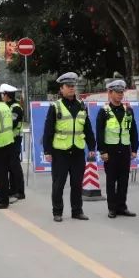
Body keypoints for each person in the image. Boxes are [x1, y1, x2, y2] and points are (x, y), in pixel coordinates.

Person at [42, 72, 96, 222]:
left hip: (78, 150)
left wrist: (92, 146)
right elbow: (48, 130)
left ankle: (77, 211)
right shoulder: (56, 107)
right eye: (68, 86)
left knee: (77, 183)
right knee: (58, 184)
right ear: (61, 89)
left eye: (73, 86)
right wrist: (47, 151)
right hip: (60, 151)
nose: (72, 89)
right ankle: (57, 212)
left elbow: (87, 128)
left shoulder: (81, 106)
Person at [96, 79, 138, 218]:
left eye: (121, 92)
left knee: (123, 180)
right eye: (117, 92)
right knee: (111, 180)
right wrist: (102, 151)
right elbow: (100, 132)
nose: (120, 95)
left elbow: (133, 131)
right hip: (111, 151)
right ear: (110, 93)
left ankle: (122, 206)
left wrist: (134, 149)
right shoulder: (104, 111)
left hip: (125, 150)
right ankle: (112, 208)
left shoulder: (128, 110)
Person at [1, 83, 25, 202]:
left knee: (15, 166)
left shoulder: (16, 107)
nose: (2, 96)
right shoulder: (6, 106)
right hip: (8, 140)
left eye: (3, 94)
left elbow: (13, 123)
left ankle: (20, 191)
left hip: (15, 140)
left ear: (7, 95)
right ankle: (12, 189)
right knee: (9, 165)